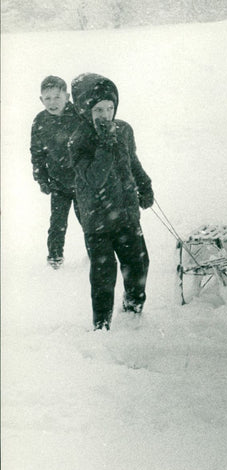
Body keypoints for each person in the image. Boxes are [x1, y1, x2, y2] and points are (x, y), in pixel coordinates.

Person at [68, 73, 154, 331]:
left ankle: (133, 312)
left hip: (126, 212)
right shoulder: (78, 140)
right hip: (97, 219)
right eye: (98, 110)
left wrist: (144, 184)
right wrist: (105, 144)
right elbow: (95, 178)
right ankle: (102, 325)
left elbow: (132, 161)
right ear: (86, 111)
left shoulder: (124, 129)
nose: (105, 115)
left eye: (109, 108)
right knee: (104, 275)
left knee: (138, 264)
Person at [30, 75, 83, 268]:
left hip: (82, 182)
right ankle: (54, 257)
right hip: (58, 183)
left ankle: (96, 252)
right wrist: (42, 179)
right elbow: (37, 153)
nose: (52, 102)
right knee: (57, 224)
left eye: (57, 97)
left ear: (67, 97)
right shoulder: (40, 121)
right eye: (48, 98)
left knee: (88, 221)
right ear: (41, 99)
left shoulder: (79, 115)